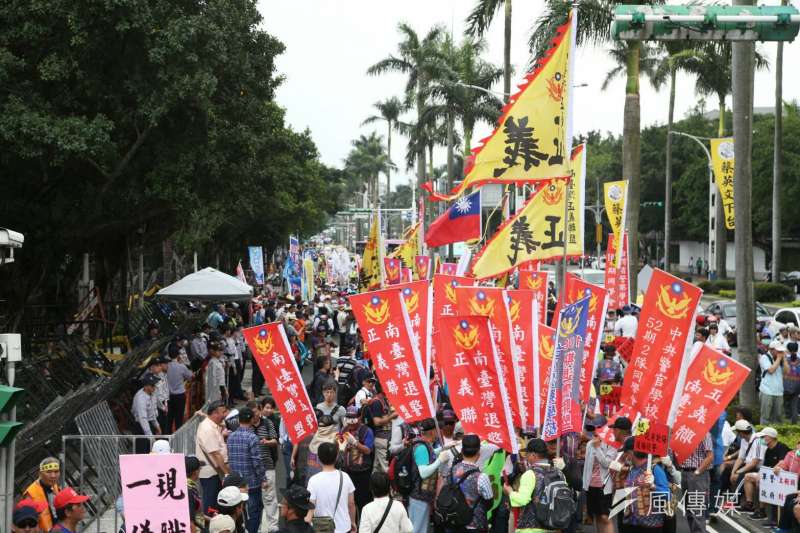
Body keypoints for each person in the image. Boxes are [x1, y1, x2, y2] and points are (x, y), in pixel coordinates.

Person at [505, 438, 565, 533]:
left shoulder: (530, 474)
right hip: (554, 526)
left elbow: (522, 500)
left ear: (533, 455)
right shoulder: (559, 473)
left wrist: (510, 491)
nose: (526, 457)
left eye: (527, 454)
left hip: (531, 527)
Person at [226, 406, 265, 533]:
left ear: (238, 420)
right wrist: (263, 478)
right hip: (251, 483)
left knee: (239, 512)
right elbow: (257, 462)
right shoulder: (252, 437)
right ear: (252, 419)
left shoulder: (231, 437)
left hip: (236, 481)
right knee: (254, 511)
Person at [445, 434, 493, 532]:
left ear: (462, 451)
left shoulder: (451, 470)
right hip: (475, 524)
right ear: (478, 452)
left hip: (453, 521)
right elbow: (489, 502)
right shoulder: (481, 477)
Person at [307, 441, 357, 533]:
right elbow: (351, 503)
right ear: (336, 457)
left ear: (319, 458)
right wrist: (353, 521)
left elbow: (311, 506)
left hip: (322, 528)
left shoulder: (313, 480)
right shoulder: (345, 477)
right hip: (344, 527)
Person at [409, 418, 446, 533]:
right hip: (418, 496)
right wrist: (440, 460)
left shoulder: (426, 445)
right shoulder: (421, 447)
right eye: (437, 430)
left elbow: (431, 455)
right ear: (432, 431)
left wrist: (445, 448)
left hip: (423, 496)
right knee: (418, 529)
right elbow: (423, 472)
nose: (438, 432)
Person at [742, 427, 789, 520]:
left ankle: (761, 511)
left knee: (762, 481)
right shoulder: (768, 450)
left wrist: (765, 474)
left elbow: (782, 463)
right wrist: (761, 474)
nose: (761, 439)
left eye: (763, 437)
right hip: (771, 475)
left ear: (770, 438)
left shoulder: (781, 447)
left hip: (780, 476)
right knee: (748, 477)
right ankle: (749, 504)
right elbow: (765, 466)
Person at [672, 433, 713, 533]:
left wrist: (697, 472)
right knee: (689, 509)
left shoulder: (704, 433)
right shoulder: (683, 432)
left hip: (699, 474)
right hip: (685, 472)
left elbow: (710, 456)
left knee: (697, 509)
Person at [196, 400, 231, 514]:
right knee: (211, 504)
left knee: (215, 502)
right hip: (211, 473)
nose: (225, 414)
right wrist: (227, 473)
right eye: (223, 412)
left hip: (215, 472)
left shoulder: (213, 424)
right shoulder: (207, 429)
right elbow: (216, 455)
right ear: (215, 413)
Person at [250, 402, 279, 533]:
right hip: (251, 468)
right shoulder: (245, 424)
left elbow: (275, 440)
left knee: (269, 497)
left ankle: (273, 526)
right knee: (254, 499)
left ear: (260, 410)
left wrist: (268, 442)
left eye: (256, 411)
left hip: (267, 465)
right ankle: (257, 527)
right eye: (251, 412)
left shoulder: (267, 423)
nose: (254, 415)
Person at [340, 406, 375, 515]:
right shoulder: (344, 429)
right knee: (348, 502)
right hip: (347, 472)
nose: (350, 422)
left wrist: (355, 443)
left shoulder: (367, 431)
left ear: (359, 418)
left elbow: (368, 450)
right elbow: (340, 446)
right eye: (348, 418)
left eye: (353, 419)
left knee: (363, 503)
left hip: (362, 473)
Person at [583, 429, 617, 533]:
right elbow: (587, 465)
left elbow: (607, 463)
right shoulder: (589, 444)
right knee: (596, 515)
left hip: (604, 485)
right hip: (590, 484)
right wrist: (584, 483)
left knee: (604, 516)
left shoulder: (611, 445)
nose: (596, 433)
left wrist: (597, 448)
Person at [22, 457, 61, 532]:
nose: (53, 476)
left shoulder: (55, 486)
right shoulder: (30, 494)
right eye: (49, 472)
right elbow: (27, 524)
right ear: (40, 473)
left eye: (56, 472)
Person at [298, 413, 339, 482]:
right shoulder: (334, 440)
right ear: (331, 426)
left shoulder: (315, 436)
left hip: (312, 476)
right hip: (327, 478)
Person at [367, 389, 397, 474]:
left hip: (385, 438)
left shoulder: (384, 400)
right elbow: (377, 422)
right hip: (381, 438)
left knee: (377, 468)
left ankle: (374, 486)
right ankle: (387, 486)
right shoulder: (377, 402)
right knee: (386, 469)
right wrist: (391, 417)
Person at [167, 343, 194, 431]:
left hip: (169, 396)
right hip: (179, 395)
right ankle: (177, 437)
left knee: (169, 417)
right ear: (178, 355)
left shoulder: (166, 366)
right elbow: (190, 376)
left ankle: (167, 436)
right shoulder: (181, 367)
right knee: (179, 417)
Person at [760, 340, 789, 424]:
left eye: (781, 350)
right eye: (778, 350)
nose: (780, 352)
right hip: (767, 391)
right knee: (766, 416)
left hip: (779, 392)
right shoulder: (764, 357)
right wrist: (779, 358)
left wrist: (784, 359)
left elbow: (787, 371)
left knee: (778, 417)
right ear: (771, 349)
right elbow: (771, 370)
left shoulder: (780, 359)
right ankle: (764, 435)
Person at [132, 373, 161, 453]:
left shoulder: (151, 394)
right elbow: (143, 419)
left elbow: (152, 413)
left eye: (154, 385)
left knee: (150, 452)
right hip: (141, 427)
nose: (154, 387)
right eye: (152, 385)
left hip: (149, 424)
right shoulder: (141, 398)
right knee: (142, 453)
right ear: (145, 386)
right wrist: (151, 437)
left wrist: (157, 426)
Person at [206, 340, 228, 405]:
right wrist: (217, 392)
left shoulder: (218, 361)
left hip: (221, 386)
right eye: (218, 351)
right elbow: (213, 378)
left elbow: (221, 378)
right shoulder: (212, 362)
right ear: (213, 352)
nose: (221, 352)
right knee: (217, 408)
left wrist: (225, 388)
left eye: (221, 351)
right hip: (216, 388)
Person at [784, 341, 800, 424]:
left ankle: (786, 423)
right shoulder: (799, 360)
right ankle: (794, 424)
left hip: (786, 386)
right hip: (797, 386)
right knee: (794, 406)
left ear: (788, 349)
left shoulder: (785, 360)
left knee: (786, 406)